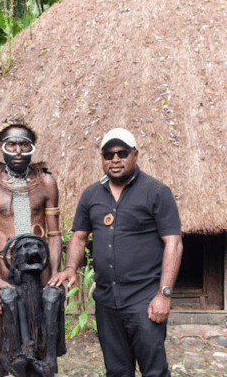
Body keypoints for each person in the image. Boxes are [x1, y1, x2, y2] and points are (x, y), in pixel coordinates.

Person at [48, 127, 183, 377]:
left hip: (144, 299)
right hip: (107, 300)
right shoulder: (92, 195)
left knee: (154, 370)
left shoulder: (156, 191)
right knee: (117, 371)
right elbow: (79, 236)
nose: (115, 160)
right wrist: (70, 268)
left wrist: (164, 294)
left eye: (122, 153)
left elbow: (173, 243)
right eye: (108, 155)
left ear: (135, 154)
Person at [0, 117, 63, 377]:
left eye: (24, 145)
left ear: (33, 148)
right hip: (6, 273)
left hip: (41, 272)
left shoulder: (46, 183)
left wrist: (55, 273)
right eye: (11, 144)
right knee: (4, 341)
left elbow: (55, 234)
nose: (17, 151)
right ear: (1, 147)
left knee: (42, 341)